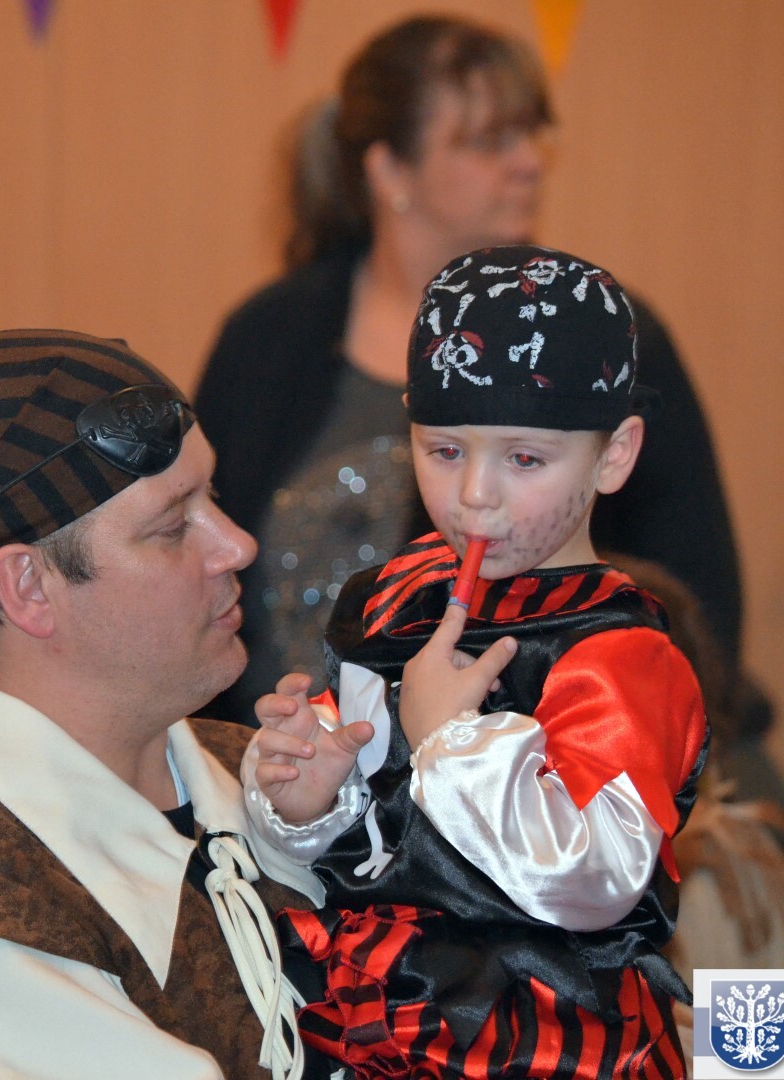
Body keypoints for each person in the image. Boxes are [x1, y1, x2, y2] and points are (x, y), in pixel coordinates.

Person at [195, 15, 742, 728]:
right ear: (390, 171)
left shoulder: (599, 335)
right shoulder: (269, 336)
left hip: (537, 758)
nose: (529, 163)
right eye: (488, 142)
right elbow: (201, 551)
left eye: (530, 135)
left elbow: (696, 595)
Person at [245, 247, 708, 1078]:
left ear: (613, 454)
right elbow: (380, 835)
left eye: (522, 459)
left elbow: (594, 881)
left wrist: (451, 740)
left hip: (547, 1040)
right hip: (376, 1018)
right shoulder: (391, 601)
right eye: (444, 450)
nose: (473, 496)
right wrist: (311, 798)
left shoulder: (619, 655)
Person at [0, 330, 321, 1080]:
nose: (236, 546)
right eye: (171, 526)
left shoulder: (271, 779)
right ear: (29, 587)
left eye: (210, 497)